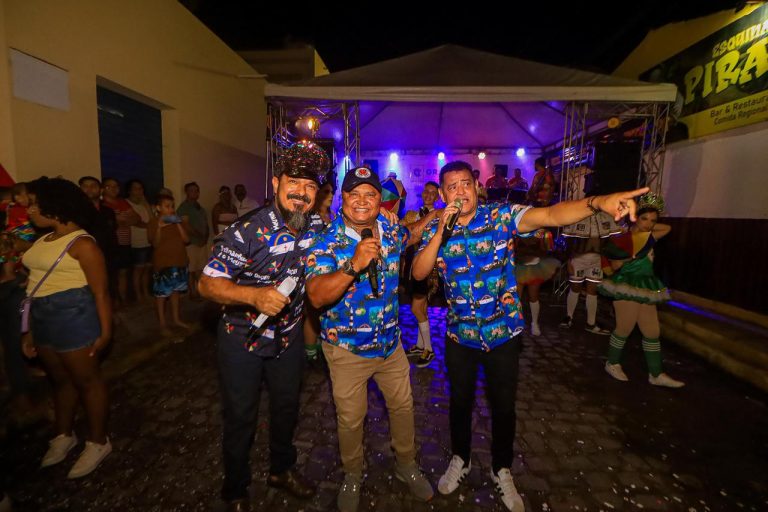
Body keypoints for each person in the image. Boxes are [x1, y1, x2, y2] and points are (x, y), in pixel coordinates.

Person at [412, 160, 648, 511]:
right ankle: (460, 459)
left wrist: (598, 202)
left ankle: (502, 468)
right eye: (452, 186)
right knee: (459, 403)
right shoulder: (437, 228)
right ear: (444, 194)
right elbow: (418, 273)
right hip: (461, 336)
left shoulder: (500, 216)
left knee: (503, 406)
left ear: (476, 187)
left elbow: (550, 215)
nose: (460, 191)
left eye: (465, 184)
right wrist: (439, 233)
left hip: (503, 333)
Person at [198, 141, 329, 512]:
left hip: (288, 339)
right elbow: (206, 284)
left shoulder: (316, 225)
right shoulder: (246, 231)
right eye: (293, 183)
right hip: (243, 340)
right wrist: (253, 296)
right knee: (241, 416)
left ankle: (280, 471)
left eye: (310, 186)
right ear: (275, 184)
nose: (301, 193)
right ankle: (235, 489)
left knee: (287, 408)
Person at [305, 166, 437, 512]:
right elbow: (315, 296)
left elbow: (410, 236)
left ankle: (406, 464)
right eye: (355, 194)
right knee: (351, 420)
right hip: (347, 350)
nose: (362, 201)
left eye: (371, 194)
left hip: (390, 346)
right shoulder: (325, 241)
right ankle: (352, 475)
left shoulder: (389, 229)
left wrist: (433, 217)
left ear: (380, 201)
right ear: (343, 198)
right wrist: (353, 264)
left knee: (403, 407)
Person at [21, 177, 112, 479]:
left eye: (35, 204)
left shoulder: (83, 244)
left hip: (74, 316)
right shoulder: (43, 239)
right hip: (43, 317)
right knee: (60, 380)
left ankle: (98, 441)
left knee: (87, 381)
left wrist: (105, 331)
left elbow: (100, 292)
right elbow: (34, 286)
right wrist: (30, 330)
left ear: (56, 205)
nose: (30, 210)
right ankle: (63, 435)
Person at [599, 193, 684, 388]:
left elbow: (667, 228)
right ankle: (612, 363)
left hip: (647, 286)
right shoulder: (623, 239)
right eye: (645, 218)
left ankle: (656, 373)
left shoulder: (649, 236)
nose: (649, 224)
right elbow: (614, 266)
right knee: (625, 327)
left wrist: (646, 224)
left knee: (652, 331)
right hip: (626, 284)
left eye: (653, 220)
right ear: (635, 217)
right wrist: (627, 256)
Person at [401, 181, 440, 367]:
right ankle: (420, 345)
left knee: (417, 308)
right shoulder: (411, 215)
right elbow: (401, 231)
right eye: (426, 191)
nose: (428, 195)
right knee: (420, 308)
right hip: (410, 266)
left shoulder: (439, 217)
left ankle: (429, 349)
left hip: (427, 269)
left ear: (437, 197)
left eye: (433, 192)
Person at [147, 194, 191, 337]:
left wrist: (178, 223)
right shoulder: (153, 222)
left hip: (179, 262)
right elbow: (155, 244)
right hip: (163, 264)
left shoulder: (177, 221)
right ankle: (162, 324)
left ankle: (176, 319)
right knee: (161, 296)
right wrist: (160, 227)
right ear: (158, 208)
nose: (171, 209)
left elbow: (186, 240)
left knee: (175, 293)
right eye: (167, 206)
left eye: (172, 206)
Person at [303, 179, 336, 362]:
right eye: (326, 192)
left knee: (325, 314)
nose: (331, 196)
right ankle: (311, 355)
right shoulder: (309, 217)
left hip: (331, 271)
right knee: (312, 314)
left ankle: (322, 348)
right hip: (314, 271)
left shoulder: (333, 216)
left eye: (332, 192)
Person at [560, 236, 611, 334]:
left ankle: (590, 323)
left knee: (592, 291)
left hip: (596, 259)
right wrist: (568, 261)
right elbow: (570, 239)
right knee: (575, 288)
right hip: (578, 258)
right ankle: (569, 317)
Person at [514, 228, 560, 336]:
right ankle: (515, 324)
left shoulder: (543, 233)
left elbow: (546, 251)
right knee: (516, 298)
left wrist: (538, 242)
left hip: (535, 268)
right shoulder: (517, 230)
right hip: (519, 267)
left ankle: (534, 323)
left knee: (533, 297)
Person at [101, 178, 139, 306]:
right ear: (103, 189)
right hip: (112, 244)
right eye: (109, 186)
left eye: (116, 186)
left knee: (123, 272)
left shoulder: (122, 202)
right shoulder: (103, 205)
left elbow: (136, 218)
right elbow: (111, 222)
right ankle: (113, 301)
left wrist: (122, 220)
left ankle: (122, 299)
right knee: (112, 274)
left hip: (125, 243)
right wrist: (119, 220)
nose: (114, 189)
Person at [176, 182, 209, 300]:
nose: (194, 193)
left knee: (200, 269)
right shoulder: (184, 207)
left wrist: (205, 236)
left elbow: (205, 224)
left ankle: (199, 291)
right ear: (186, 192)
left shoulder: (200, 208)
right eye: (191, 190)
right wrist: (199, 235)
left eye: (196, 190)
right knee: (191, 270)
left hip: (202, 243)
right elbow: (185, 225)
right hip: (191, 243)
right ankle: (192, 292)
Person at [125, 179, 153, 301]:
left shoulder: (143, 204)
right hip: (136, 242)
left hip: (148, 241)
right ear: (129, 190)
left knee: (147, 269)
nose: (139, 191)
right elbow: (134, 222)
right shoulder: (126, 204)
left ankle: (146, 292)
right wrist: (148, 226)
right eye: (136, 188)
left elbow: (152, 220)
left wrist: (146, 204)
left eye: (141, 188)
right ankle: (138, 295)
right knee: (138, 270)